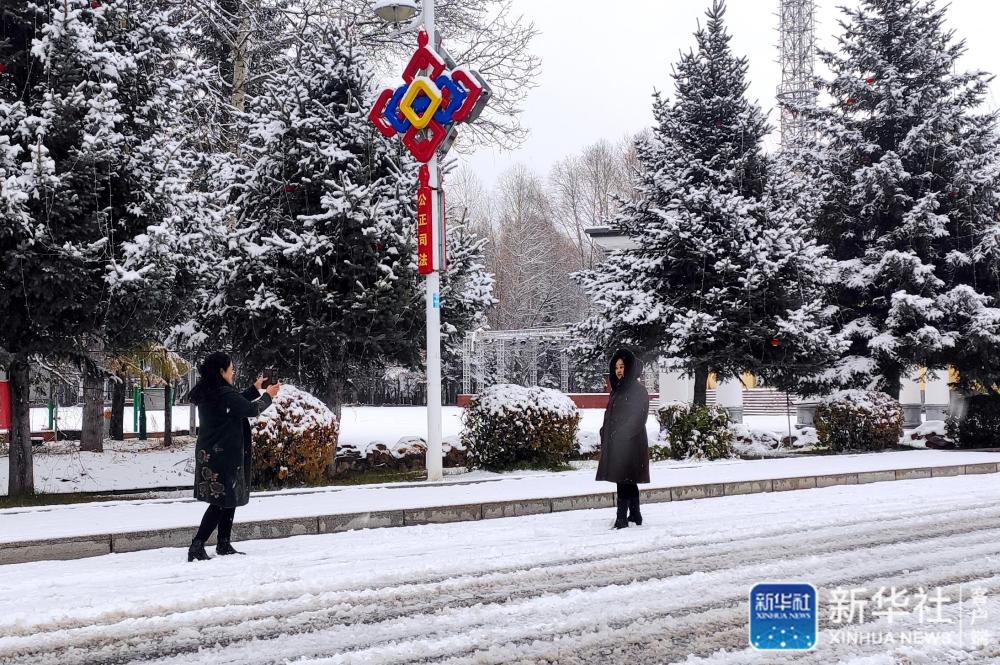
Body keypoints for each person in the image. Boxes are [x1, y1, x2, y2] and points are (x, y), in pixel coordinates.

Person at [186, 352, 280, 561]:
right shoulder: (222, 391)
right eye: (231, 368)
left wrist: (255, 389)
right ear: (222, 371)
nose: (233, 371)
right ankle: (197, 544)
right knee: (221, 500)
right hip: (223, 453)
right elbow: (248, 409)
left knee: (228, 498)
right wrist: (268, 396)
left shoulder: (213, 390)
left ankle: (223, 543)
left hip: (214, 451)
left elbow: (234, 405)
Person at [596, 348, 650, 529]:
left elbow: (638, 418)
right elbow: (611, 414)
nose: (619, 370)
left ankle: (622, 518)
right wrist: (605, 431)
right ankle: (635, 514)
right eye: (616, 367)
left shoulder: (638, 390)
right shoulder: (617, 390)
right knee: (627, 479)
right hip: (618, 441)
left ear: (630, 368)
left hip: (631, 443)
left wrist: (621, 436)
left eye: (622, 366)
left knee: (624, 480)